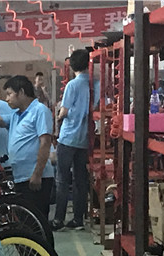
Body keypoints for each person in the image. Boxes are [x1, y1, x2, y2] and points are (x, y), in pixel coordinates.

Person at [51, 49, 97, 231]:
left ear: (71, 66)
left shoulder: (72, 85)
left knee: (62, 180)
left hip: (68, 137)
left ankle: (58, 220)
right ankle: (78, 219)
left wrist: (58, 116)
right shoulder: (95, 84)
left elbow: (64, 111)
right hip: (84, 138)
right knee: (80, 180)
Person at [0, 75, 54, 219]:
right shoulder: (16, 115)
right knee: (25, 223)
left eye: (9, 94)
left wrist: (37, 174)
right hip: (20, 177)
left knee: (37, 220)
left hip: (35, 178)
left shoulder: (40, 111)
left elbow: (45, 143)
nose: (7, 99)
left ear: (21, 92)